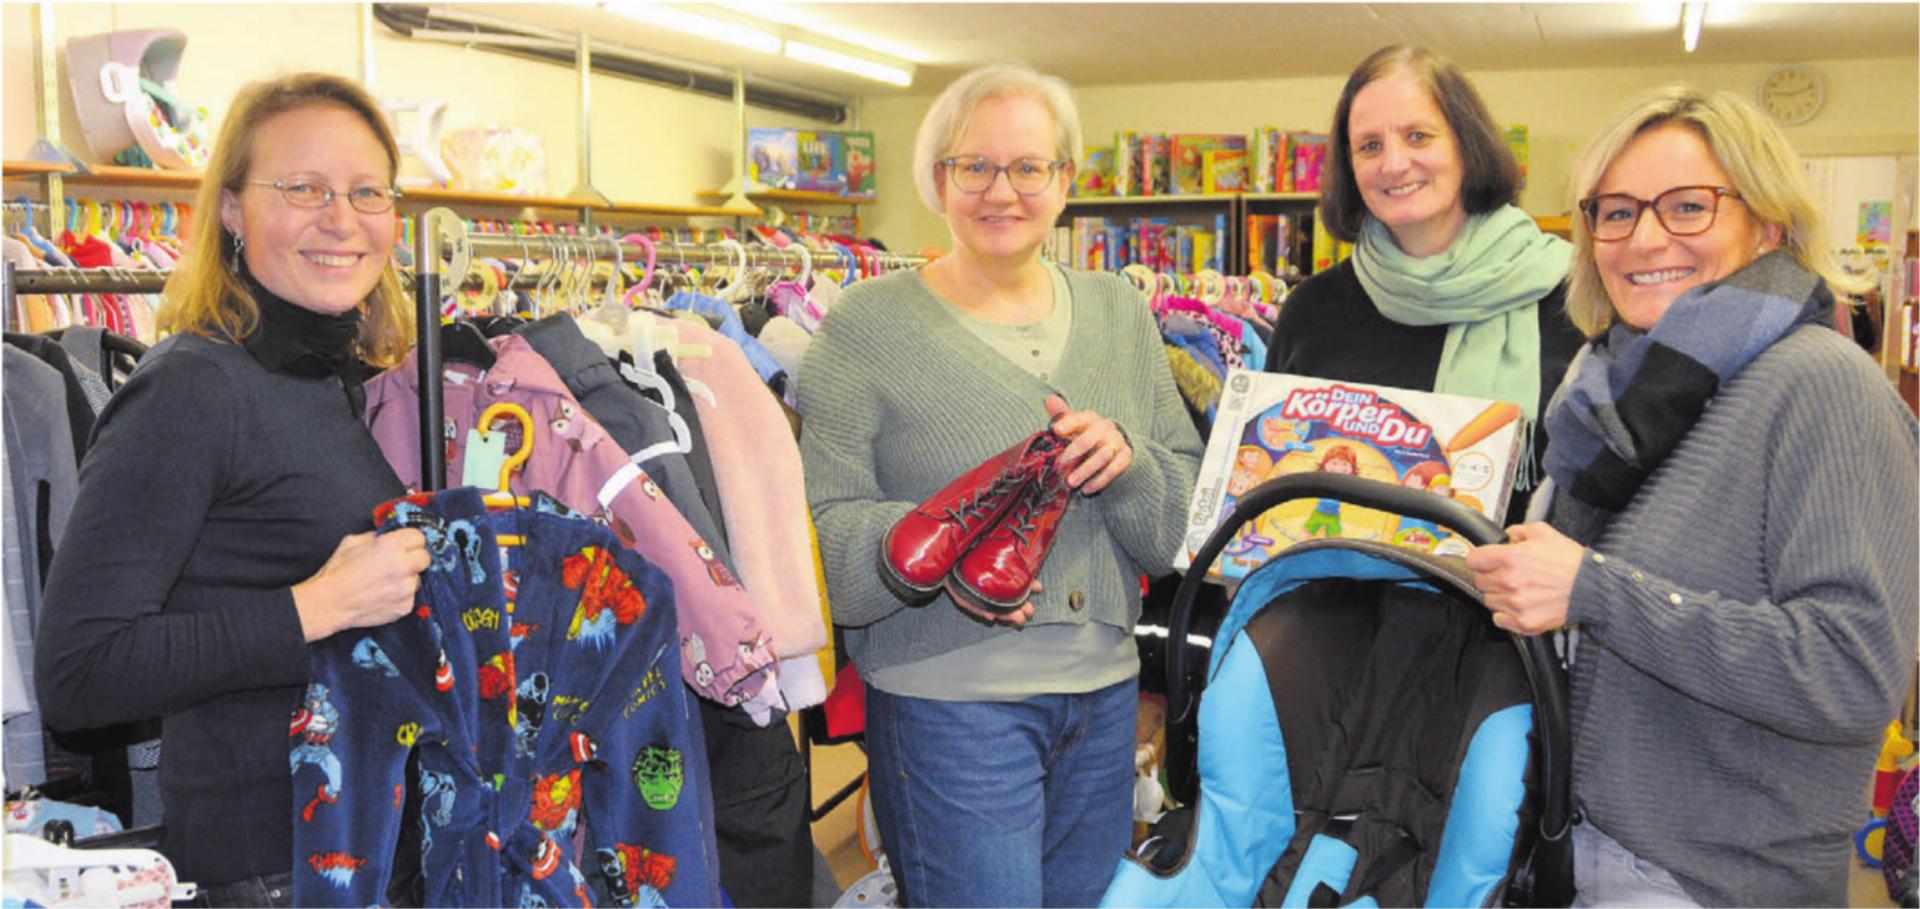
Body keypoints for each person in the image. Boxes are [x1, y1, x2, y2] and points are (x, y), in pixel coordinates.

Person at [1464, 86, 1918, 907]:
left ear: (1769, 225)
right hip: (1571, 851)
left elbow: (1852, 671)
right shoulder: (1602, 386)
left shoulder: (1824, 386)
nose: (1644, 239)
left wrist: (1596, 592)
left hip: (1715, 881)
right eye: (1616, 211)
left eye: (1687, 207)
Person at [797, 62, 1203, 908]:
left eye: (1029, 166)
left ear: (1065, 181)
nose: (1001, 190)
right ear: (937, 178)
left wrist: (1126, 466)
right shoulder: (863, 327)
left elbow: (1180, 527)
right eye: (973, 165)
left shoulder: (1120, 313)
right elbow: (823, 538)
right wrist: (935, 552)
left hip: (1104, 705)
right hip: (950, 710)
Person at [34, 72, 431, 905]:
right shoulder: (192, 387)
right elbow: (78, 673)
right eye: (302, 188)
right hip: (275, 868)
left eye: (366, 192)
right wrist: (315, 606)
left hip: (371, 844)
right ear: (231, 211)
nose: (341, 219)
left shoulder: (341, 378)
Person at [1264, 45, 1585, 522]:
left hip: (1514, 594)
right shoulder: (1311, 310)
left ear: (1466, 145)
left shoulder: (1575, 295)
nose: (1394, 164)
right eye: (1370, 145)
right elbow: (1275, 470)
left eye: (1418, 136)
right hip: (1338, 591)